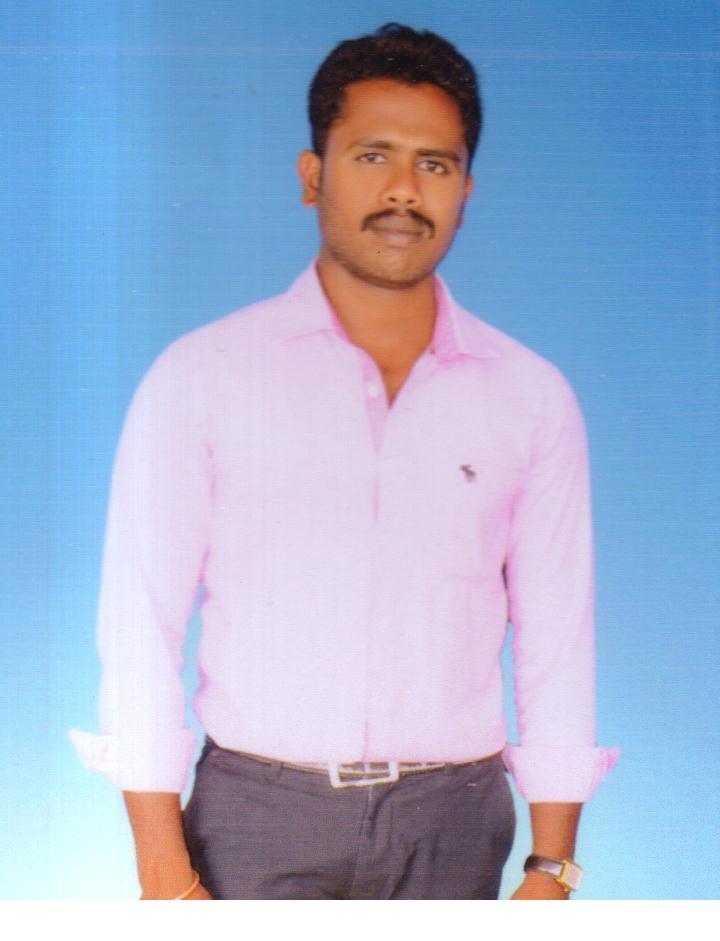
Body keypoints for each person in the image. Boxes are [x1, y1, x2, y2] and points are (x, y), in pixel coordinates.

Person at [70, 23, 618, 900]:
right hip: (254, 814)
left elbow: (559, 637)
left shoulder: (531, 397)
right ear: (312, 175)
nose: (404, 189)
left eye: (434, 164)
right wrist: (164, 871)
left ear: (466, 190)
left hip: (455, 821)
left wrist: (552, 868)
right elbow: (140, 623)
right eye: (372, 156)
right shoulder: (202, 376)